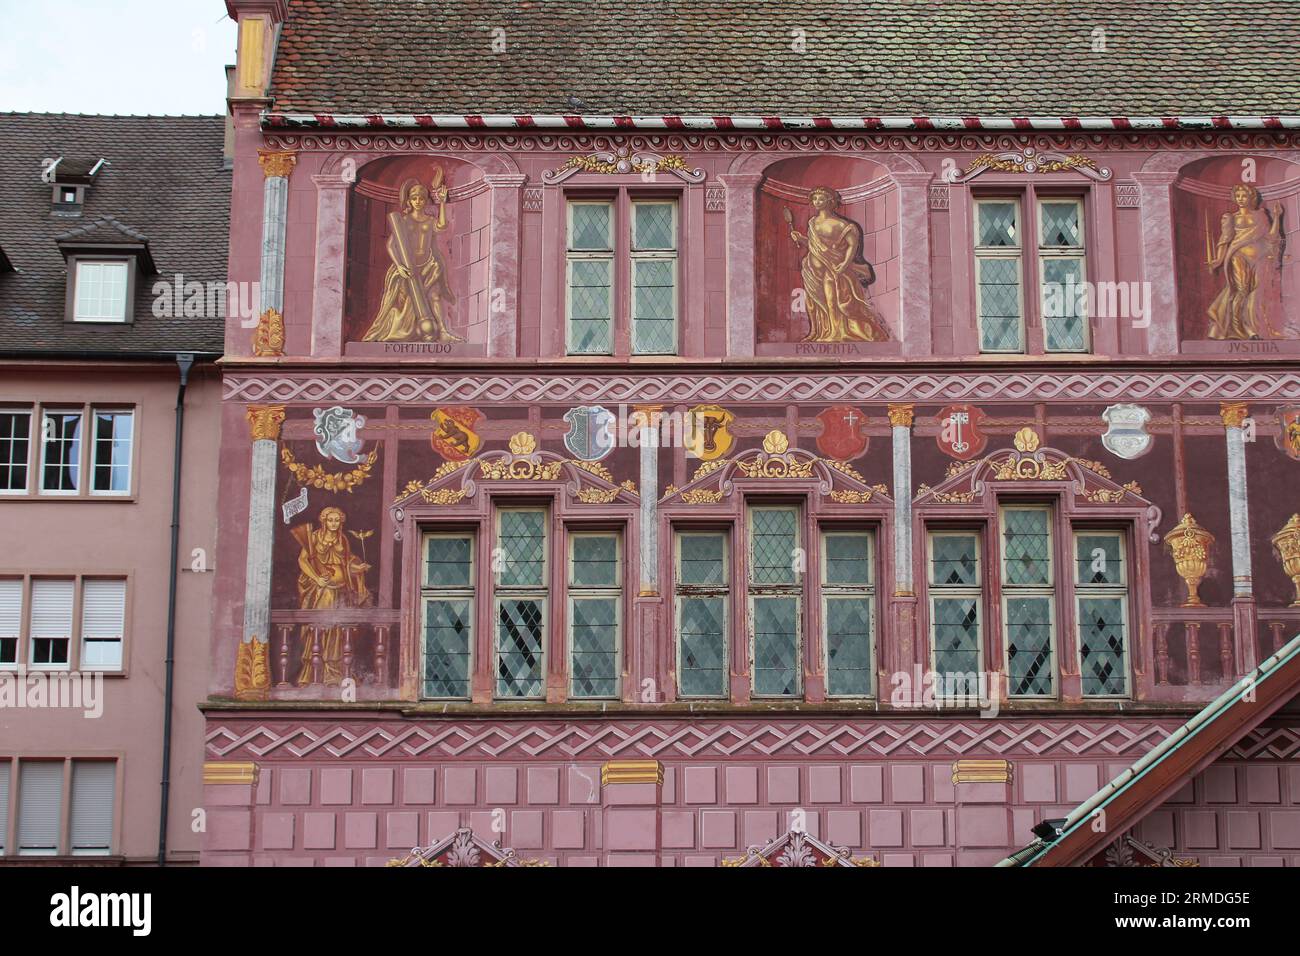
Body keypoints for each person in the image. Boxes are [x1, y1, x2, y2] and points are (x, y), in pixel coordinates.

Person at [361, 173, 462, 343]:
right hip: (407, 268)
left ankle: (443, 331)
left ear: (425, 201)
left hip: (428, 265)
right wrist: (399, 266)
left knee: (435, 296)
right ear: (409, 201)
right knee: (405, 301)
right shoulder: (404, 221)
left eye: (421, 198)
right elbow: (391, 245)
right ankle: (406, 332)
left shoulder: (429, 220)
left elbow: (442, 226)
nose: (418, 201)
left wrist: (443, 202)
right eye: (414, 198)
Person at [789, 186, 891, 342]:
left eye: (821, 199)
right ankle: (817, 332)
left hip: (834, 269)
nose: (817, 202)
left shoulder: (843, 225)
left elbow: (852, 245)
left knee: (833, 300)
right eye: (815, 199)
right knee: (813, 302)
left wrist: (844, 264)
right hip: (812, 270)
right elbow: (813, 245)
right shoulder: (812, 223)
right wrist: (801, 239)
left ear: (830, 201)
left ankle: (836, 332)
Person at [292, 506, 372, 686]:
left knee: (336, 631)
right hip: (320, 590)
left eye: (337, 520)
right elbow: (302, 560)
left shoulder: (342, 539)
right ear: (324, 521)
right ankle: (314, 673)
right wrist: (317, 579)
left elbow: (344, 565)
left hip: (340, 591)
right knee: (322, 627)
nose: (334, 523)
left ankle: (333, 673)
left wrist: (357, 569)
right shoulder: (314, 538)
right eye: (331, 520)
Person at [1206, 183, 1284, 340]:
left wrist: (1276, 217)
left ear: (1251, 197)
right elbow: (1225, 240)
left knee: (1258, 292)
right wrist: (1219, 260)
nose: (1241, 199)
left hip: (1260, 258)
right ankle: (1240, 327)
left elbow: (1272, 237)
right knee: (1241, 291)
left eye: (1244, 196)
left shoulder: (1261, 215)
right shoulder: (1231, 218)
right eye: (1238, 196)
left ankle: (1256, 327)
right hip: (1238, 257)